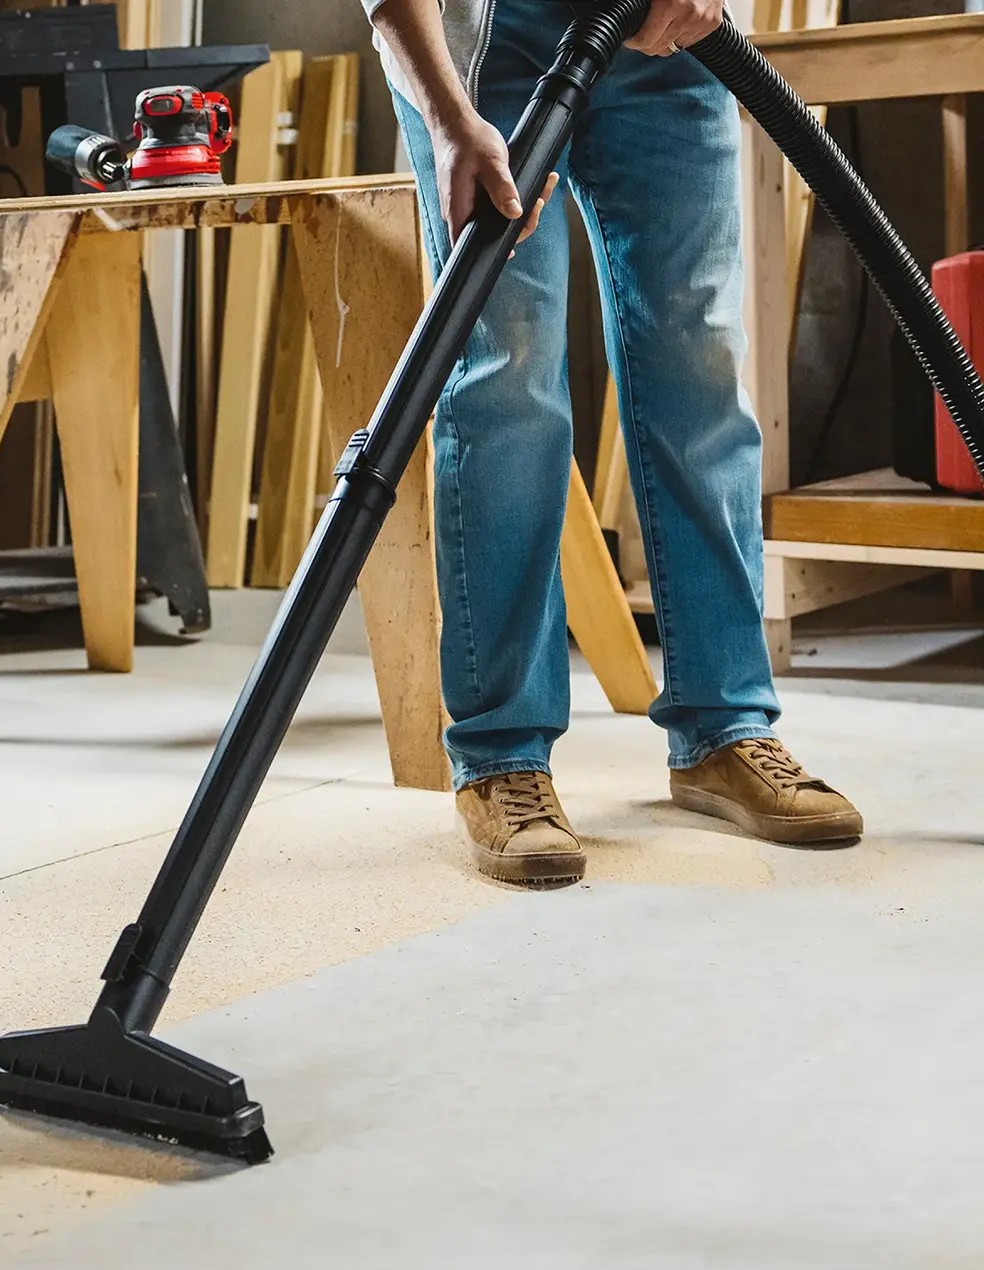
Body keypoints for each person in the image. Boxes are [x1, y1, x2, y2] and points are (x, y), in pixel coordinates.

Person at [363, 0, 862, 885]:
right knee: (504, 372)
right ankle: (502, 756)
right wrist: (444, 114)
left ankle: (724, 730)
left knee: (698, 358)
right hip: (481, 46)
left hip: (665, 35)